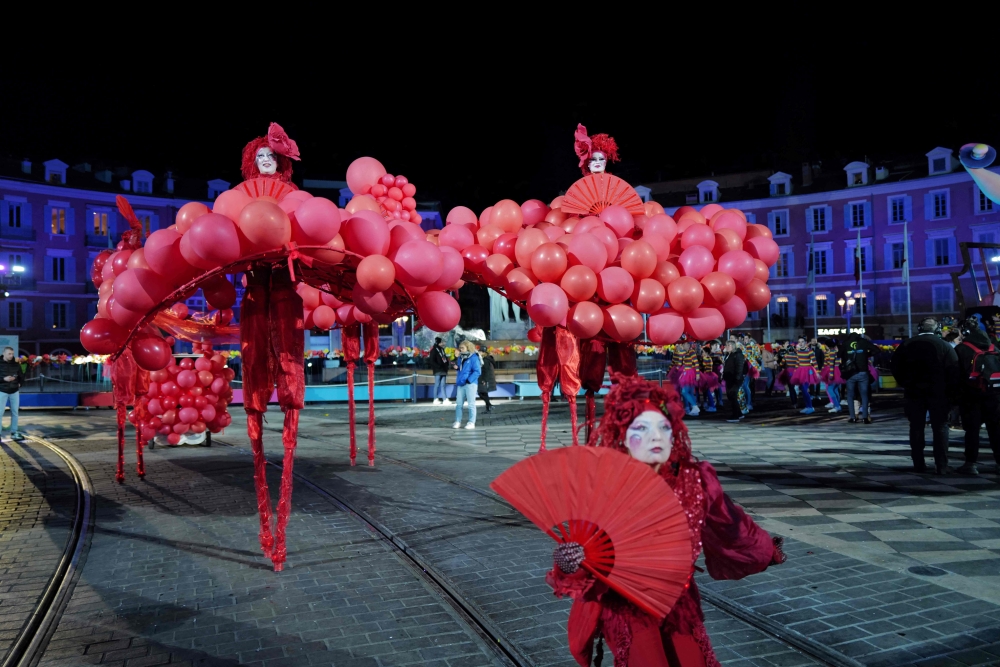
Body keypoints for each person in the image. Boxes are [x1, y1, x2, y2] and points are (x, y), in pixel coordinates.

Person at [546, 374, 785, 666]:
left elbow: (732, 527)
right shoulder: (604, 488)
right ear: (623, 436)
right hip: (627, 607)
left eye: (663, 426)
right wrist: (570, 564)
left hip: (679, 602)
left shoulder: (695, 480)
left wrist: (764, 550)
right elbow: (585, 555)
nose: (656, 436)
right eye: (642, 428)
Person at [891, 317, 961, 474]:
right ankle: (942, 465)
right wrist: (951, 392)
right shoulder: (944, 345)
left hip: (914, 392)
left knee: (916, 426)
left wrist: (906, 383)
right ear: (936, 329)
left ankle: (918, 463)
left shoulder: (907, 344)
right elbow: (953, 369)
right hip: (939, 392)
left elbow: (895, 366)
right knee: (941, 427)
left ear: (919, 328)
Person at [955, 319, 1000, 475]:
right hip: (995, 394)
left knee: (972, 431)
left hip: (971, 395)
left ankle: (970, 464)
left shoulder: (962, 349)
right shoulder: (994, 346)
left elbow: (955, 373)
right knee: (995, 429)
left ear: (965, 332)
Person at [841, 333, 877, 423]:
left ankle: (853, 417)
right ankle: (865, 417)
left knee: (850, 395)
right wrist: (866, 354)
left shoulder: (846, 343)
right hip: (863, 372)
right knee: (864, 394)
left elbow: (840, 354)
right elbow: (877, 350)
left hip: (850, 373)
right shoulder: (863, 342)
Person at [452, 341, 481, 429]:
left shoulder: (474, 358)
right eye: (460, 348)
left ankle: (471, 422)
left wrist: (469, 380)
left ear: (468, 348)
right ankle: (457, 421)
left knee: (471, 404)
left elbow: (477, 371)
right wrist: (457, 368)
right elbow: (461, 369)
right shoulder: (461, 358)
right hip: (461, 383)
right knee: (459, 404)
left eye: (462, 348)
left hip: (470, 384)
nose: (460, 350)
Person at [787, 336, 819, 414]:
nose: (800, 343)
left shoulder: (810, 351)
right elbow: (798, 362)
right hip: (800, 371)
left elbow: (814, 362)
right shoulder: (798, 351)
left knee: (804, 389)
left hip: (807, 371)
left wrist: (817, 372)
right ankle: (808, 406)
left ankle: (810, 407)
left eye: (802, 342)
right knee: (803, 390)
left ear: (805, 342)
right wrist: (795, 372)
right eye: (799, 342)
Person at [0, 347, 24, 441]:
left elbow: (21, 375)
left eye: (12, 354)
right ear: (4, 353)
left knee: (15, 412)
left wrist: (20, 383)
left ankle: (14, 432)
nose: (11, 356)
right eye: (9, 354)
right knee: (0, 413)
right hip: (2, 390)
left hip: (14, 391)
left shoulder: (16, 364)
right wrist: (3, 379)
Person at [671, 341, 700, 416]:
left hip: (690, 373)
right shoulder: (682, 353)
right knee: (689, 392)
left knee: (684, 391)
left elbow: (696, 363)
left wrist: (697, 374)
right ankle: (695, 410)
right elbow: (679, 364)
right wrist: (674, 372)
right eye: (684, 344)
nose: (686, 346)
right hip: (685, 372)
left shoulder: (691, 352)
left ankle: (694, 406)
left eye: (687, 344)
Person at [723, 339, 746, 423]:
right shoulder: (728, 355)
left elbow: (739, 367)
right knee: (730, 396)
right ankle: (739, 414)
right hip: (729, 378)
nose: (726, 347)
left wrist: (737, 378)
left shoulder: (738, 355)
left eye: (728, 345)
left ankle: (735, 415)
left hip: (735, 378)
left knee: (732, 395)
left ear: (732, 346)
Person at [429, 337, 451, 405]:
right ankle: (435, 398)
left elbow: (444, 358)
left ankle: (445, 399)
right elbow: (432, 361)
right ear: (438, 343)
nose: (443, 343)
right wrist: (438, 366)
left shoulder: (442, 350)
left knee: (443, 385)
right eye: (441, 342)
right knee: (437, 384)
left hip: (443, 370)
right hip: (438, 370)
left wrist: (446, 365)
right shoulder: (434, 350)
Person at [477, 349, 497, 413]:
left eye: (480, 351)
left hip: (483, 379)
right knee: (484, 393)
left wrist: (484, 380)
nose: (479, 353)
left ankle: (489, 406)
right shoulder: (487, 359)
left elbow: (486, 370)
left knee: (482, 393)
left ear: (483, 352)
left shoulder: (485, 360)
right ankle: (489, 406)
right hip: (485, 378)